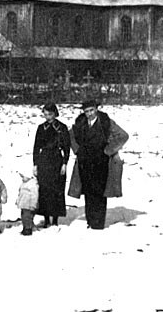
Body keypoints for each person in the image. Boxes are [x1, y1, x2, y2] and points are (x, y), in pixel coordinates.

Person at [68, 99, 129, 230]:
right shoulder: (80, 123)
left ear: (96, 109)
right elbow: (70, 136)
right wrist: (77, 150)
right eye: (86, 111)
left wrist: (109, 150)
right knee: (88, 191)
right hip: (85, 162)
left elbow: (123, 135)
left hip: (101, 162)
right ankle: (90, 220)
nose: (89, 114)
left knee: (99, 192)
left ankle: (98, 223)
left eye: (91, 110)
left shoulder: (106, 123)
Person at [32, 102, 71, 228]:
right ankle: (46, 218)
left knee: (57, 190)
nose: (48, 117)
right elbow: (36, 147)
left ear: (55, 114)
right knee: (44, 190)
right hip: (44, 160)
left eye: (50, 114)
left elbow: (66, 147)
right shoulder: (41, 128)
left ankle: (55, 219)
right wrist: (35, 164)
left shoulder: (62, 128)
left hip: (56, 160)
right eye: (45, 114)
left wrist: (65, 163)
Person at [15, 171, 38, 236]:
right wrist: (18, 200)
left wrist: (33, 204)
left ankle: (28, 229)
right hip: (23, 204)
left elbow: (35, 195)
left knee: (27, 217)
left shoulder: (33, 184)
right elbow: (20, 193)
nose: (22, 178)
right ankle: (25, 227)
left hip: (29, 205)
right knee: (23, 216)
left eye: (23, 177)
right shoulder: (23, 184)